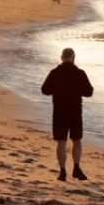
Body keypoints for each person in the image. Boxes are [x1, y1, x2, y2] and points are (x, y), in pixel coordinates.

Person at [41, 48, 94, 181]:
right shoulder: (79, 73)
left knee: (61, 142)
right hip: (75, 111)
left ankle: (62, 171)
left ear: (62, 57)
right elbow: (89, 92)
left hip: (59, 111)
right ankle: (76, 167)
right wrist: (77, 89)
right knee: (76, 140)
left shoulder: (55, 72)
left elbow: (45, 90)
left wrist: (57, 89)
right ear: (73, 57)